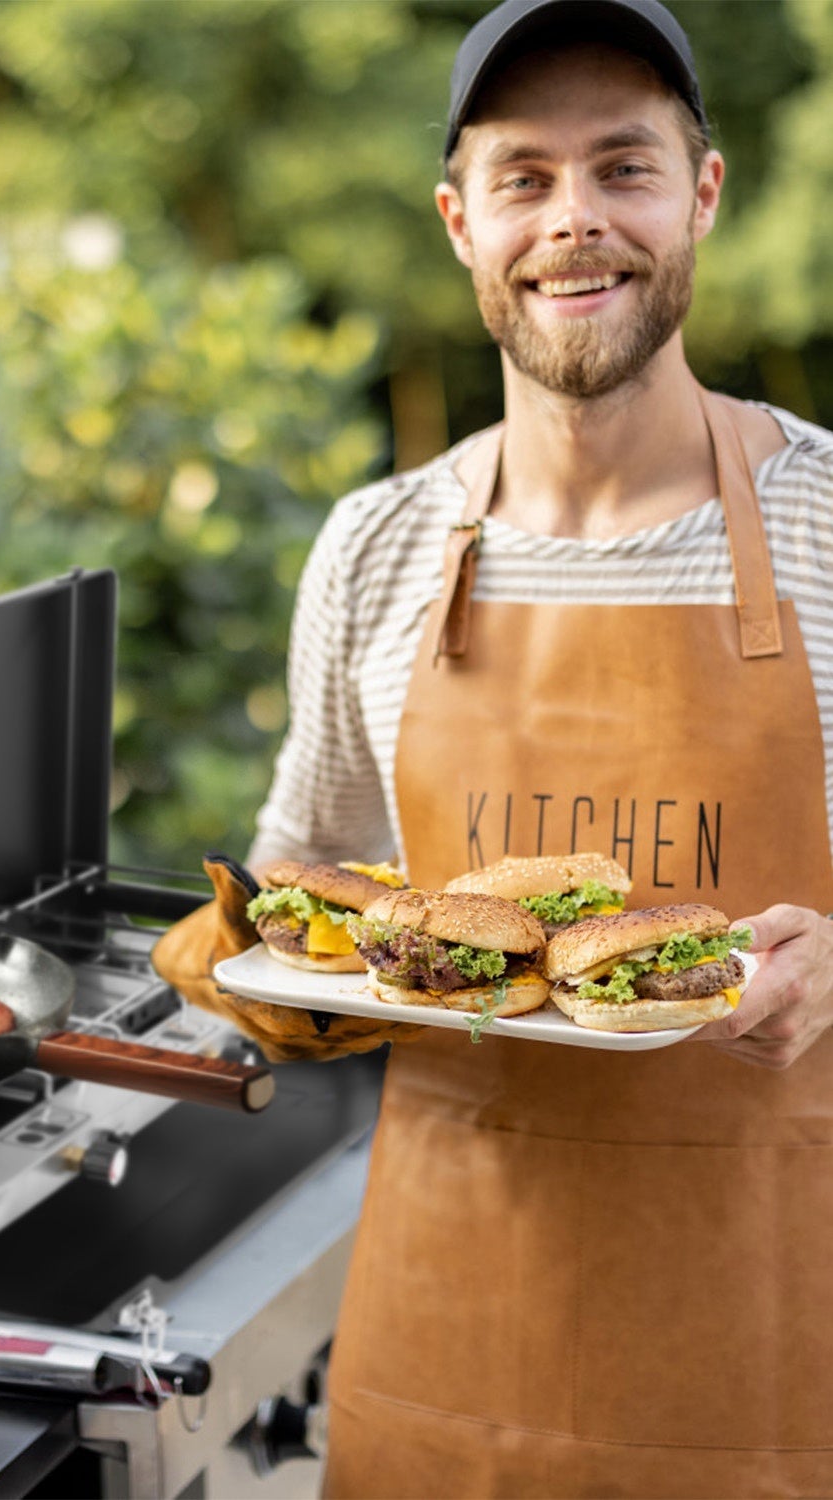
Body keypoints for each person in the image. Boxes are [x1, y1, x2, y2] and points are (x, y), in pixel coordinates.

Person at [239, 0, 833, 1493]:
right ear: (460, 220)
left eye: (624, 168)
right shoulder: (376, 549)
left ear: (703, 194)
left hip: (773, 1352)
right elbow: (296, 884)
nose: (576, 223)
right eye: (525, 178)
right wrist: (254, 967)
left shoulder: (831, 528)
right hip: (451, 1352)